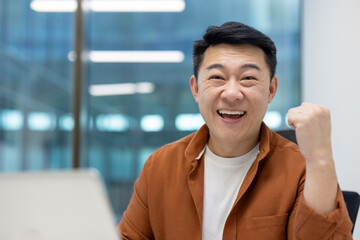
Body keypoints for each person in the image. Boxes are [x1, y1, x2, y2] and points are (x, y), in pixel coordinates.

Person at [118, 22, 353, 239]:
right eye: (217, 77)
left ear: (271, 90)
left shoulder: (300, 168)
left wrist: (320, 158)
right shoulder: (160, 166)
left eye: (248, 78)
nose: (231, 93)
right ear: (196, 89)